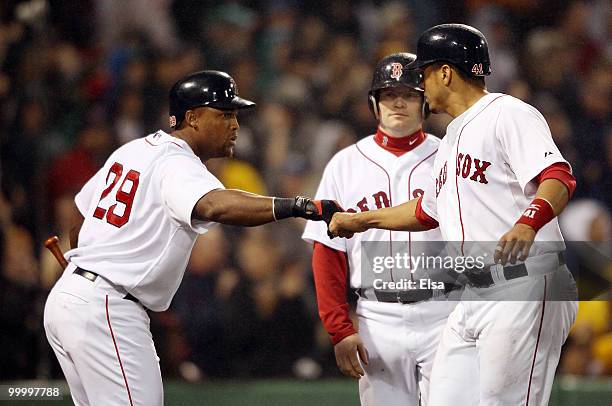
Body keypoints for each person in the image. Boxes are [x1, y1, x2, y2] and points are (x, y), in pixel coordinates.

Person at [43, 70, 341, 406]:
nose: (235, 125)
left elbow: (79, 221)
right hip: (107, 306)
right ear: (193, 118)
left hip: (71, 300)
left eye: (235, 115)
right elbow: (215, 205)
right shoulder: (178, 163)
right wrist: (297, 206)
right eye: (224, 114)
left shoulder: (133, 150)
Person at [329, 24, 578, 406]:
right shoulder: (449, 142)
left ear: (445, 72)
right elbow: (425, 211)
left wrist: (529, 221)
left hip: (525, 282)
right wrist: (360, 220)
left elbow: (557, 176)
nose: (421, 86)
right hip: (473, 294)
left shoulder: (506, 112)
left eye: (424, 74)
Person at [302, 53, 457, 405]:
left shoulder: (449, 156)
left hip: (445, 312)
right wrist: (339, 328)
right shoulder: (345, 164)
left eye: (409, 93)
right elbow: (327, 253)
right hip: (377, 317)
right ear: (375, 103)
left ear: (425, 103)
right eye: (388, 94)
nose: (398, 102)